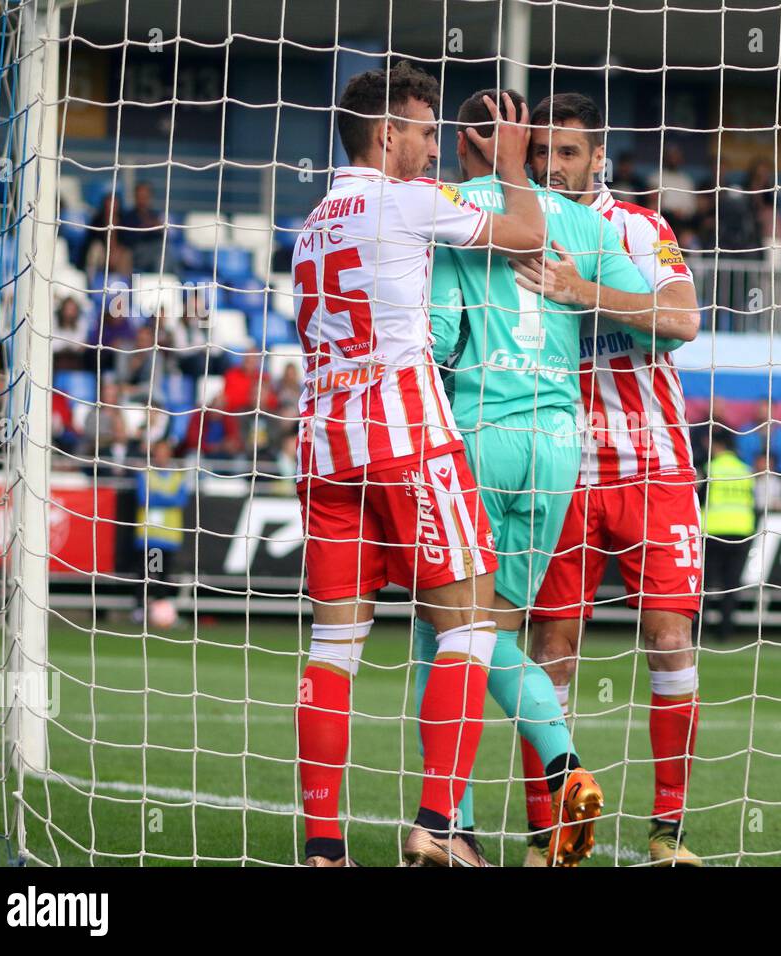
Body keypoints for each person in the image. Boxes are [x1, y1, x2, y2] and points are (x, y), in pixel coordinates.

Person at [290, 63, 544, 868]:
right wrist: (511, 163)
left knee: (335, 650)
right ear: (386, 133)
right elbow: (529, 235)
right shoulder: (407, 200)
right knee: (470, 625)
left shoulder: (311, 223)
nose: (436, 146)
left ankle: (324, 847)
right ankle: (438, 824)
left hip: (326, 451)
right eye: (427, 131)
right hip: (407, 443)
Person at [424, 86, 657, 866]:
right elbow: (665, 315)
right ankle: (561, 778)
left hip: (481, 430)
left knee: (449, 632)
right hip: (559, 442)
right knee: (492, 630)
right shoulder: (589, 223)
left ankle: (448, 817)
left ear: (477, 142)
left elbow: (438, 336)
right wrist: (583, 293)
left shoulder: (456, 210)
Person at [526, 91, 705, 865]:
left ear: (598, 158)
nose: (552, 166)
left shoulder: (641, 227)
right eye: (541, 152)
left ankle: (668, 832)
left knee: (668, 640)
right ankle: (553, 834)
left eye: (567, 152)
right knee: (551, 651)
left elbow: (684, 318)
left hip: (652, 468)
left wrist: (583, 293)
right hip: (558, 471)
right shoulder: (517, 230)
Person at [701, 427, 755, 642]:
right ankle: (725, 632)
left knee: (703, 586)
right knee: (731, 586)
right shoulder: (746, 470)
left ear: (717, 445)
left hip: (713, 532)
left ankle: (698, 630)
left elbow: (699, 500)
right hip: (741, 532)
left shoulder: (710, 469)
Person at [132, 438, 190, 625]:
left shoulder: (178, 476)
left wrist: (157, 497)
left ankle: (159, 611)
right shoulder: (146, 474)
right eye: (158, 451)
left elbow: (180, 501)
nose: (161, 455)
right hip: (151, 535)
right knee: (149, 574)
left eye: (165, 451)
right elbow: (143, 498)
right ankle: (142, 609)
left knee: (164, 576)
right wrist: (167, 499)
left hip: (169, 536)